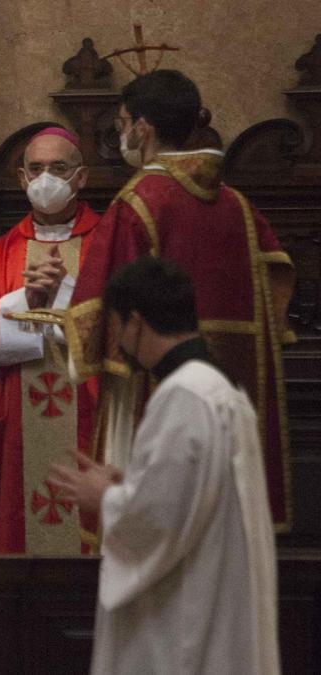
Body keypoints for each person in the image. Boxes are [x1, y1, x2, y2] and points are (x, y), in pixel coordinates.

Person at [64, 69, 295, 530]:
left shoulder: (138, 201)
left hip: (156, 395)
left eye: (123, 123)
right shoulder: (238, 206)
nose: (122, 134)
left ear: (142, 128)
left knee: (157, 531)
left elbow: (98, 309)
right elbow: (278, 290)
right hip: (233, 393)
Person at [49, 257, 279, 675]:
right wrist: (130, 486)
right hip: (220, 601)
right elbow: (190, 500)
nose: (119, 343)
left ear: (135, 322)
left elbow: (158, 522)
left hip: (190, 623)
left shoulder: (182, 397)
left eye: (119, 328)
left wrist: (106, 497)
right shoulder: (223, 389)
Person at [0, 127, 101, 554]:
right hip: (17, 424)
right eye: (36, 169)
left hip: (90, 413)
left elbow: (130, 321)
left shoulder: (111, 243)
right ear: (21, 179)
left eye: (58, 168)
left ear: (81, 178)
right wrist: (24, 299)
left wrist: (68, 294)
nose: (46, 179)